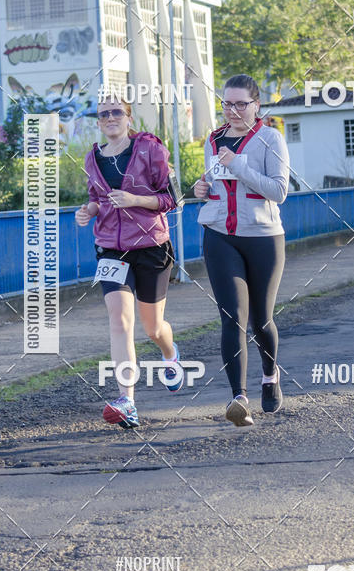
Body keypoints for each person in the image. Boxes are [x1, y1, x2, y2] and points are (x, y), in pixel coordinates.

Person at [75, 92, 180, 429]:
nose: (109, 118)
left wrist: (135, 199)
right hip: (111, 247)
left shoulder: (151, 149)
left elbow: (172, 198)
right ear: (98, 121)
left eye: (116, 112)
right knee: (119, 319)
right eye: (103, 114)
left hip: (151, 245)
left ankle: (170, 354)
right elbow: (96, 198)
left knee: (152, 327)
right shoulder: (93, 157)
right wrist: (87, 211)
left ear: (129, 117)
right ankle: (127, 401)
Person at [193, 74, 289, 427]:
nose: (232, 110)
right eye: (226, 103)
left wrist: (238, 165)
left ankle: (269, 374)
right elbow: (215, 183)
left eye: (240, 104)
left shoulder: (270, 139)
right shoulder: (214, 139)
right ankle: (239, 398)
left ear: (256, 104)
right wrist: (203, 188)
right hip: (220, 236)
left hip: (263, 237)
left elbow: (278, 191)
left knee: (260, 320)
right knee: (231, 317)